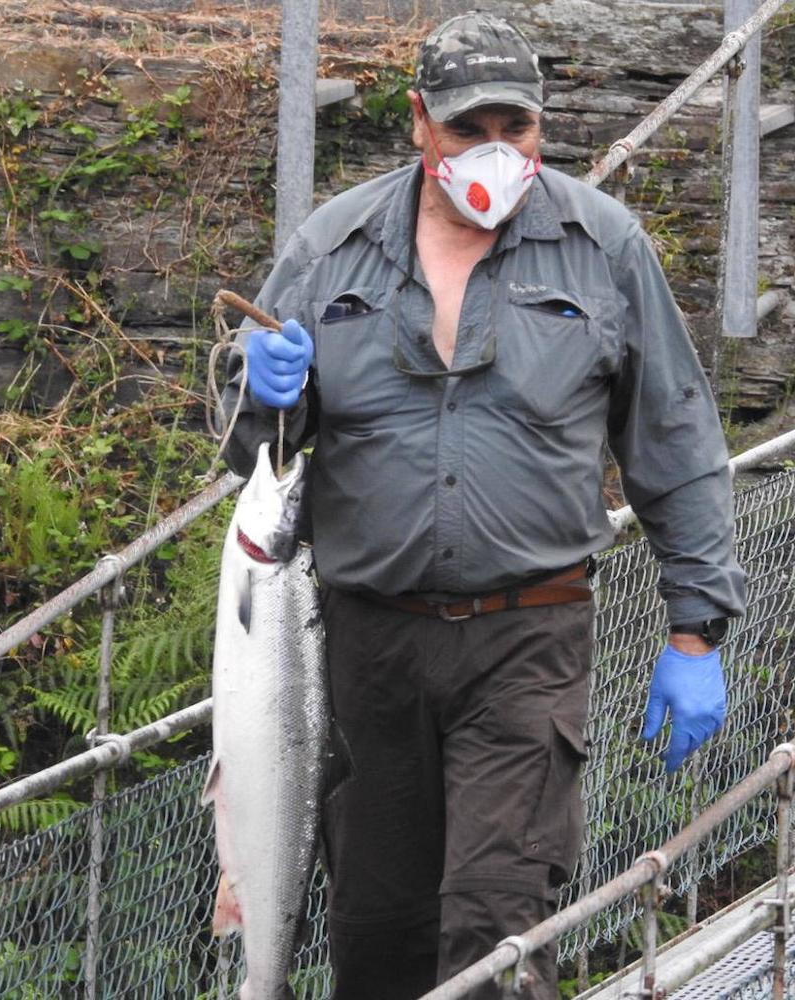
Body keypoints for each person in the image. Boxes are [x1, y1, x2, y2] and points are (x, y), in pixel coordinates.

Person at [220, 11, 747, 999]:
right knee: (379, 938)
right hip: (367, 648)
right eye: (471, 129)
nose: (497, 151)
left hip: (528, 641)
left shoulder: (603, 249)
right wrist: (259, 386)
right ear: (421, 122)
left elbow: (675, 443)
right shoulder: (332, 251)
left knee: (497, 935)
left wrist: (696, 630)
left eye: (519, 127)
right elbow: (253, 459)